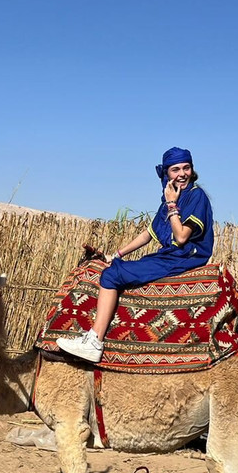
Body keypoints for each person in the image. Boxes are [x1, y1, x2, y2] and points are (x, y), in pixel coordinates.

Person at [56, 146, 214, 362]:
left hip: (184, 256)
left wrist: (171, 204)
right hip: (169, 255)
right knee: (118, 266)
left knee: (111, 276)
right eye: (175, 169)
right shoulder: (169, 201)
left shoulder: (196, 197)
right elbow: (147, 235)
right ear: (167, 174)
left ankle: (95, 340)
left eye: (186, 168)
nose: (182, 174)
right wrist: (117, 254)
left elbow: (182, 236)